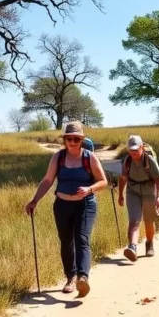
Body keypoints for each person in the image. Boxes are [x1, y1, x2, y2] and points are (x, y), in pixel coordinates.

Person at [24, 121, 108, 297]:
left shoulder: (89, 157)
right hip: (62, 205)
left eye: (76, 139)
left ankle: (83, 278)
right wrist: (34, 200)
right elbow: (47, 181)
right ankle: (70, 277)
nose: (72, 141)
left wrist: (89, 189)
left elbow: (103, 181)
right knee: (66, 241)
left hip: (85, 205)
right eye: (69, 138)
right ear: (64, 140)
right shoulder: (58, 157)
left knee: (82, 239)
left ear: (81, 140)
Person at [117, 135, 159, 261]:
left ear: (142, 147)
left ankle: (149, 243)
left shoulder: (149, 160)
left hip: (149, 191)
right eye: (131, 150)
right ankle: (132, 247)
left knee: (149, 221)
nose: (134, 153)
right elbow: (122, 178)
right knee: (134, 220)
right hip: (133, 191)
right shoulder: (126, 161)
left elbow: (158, 179)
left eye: (136, 150)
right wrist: (121, 194)